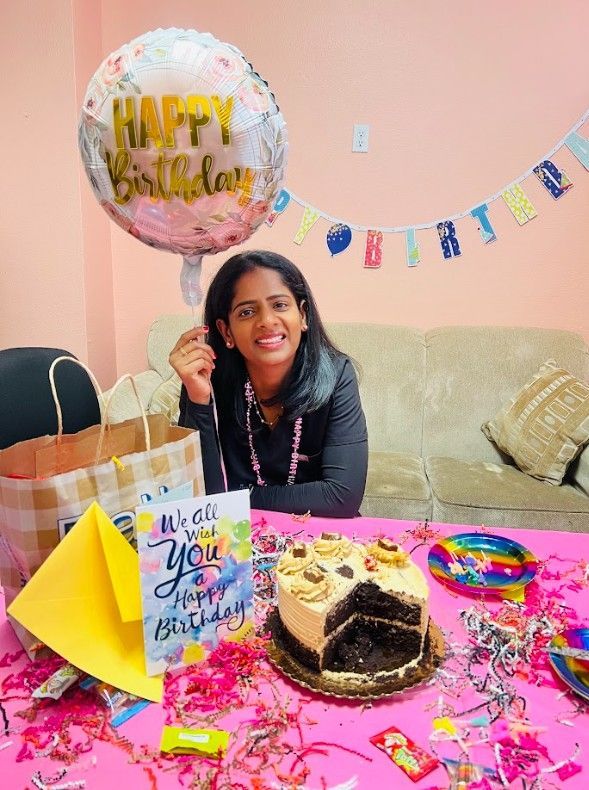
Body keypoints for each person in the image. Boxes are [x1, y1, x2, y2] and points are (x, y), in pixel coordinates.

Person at [170, 250, 368, 517]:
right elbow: (201, 497)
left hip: (319, 537)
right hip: (235, 536)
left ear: (303, 315)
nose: (266, 321)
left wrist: (241, 496)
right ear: (226, 331)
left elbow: (342, 496)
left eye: (280, 305)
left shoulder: (336, 375)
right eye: (247, 312)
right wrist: (198, 400)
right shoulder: (205, 379)